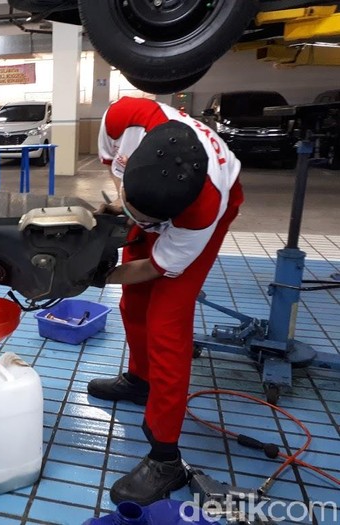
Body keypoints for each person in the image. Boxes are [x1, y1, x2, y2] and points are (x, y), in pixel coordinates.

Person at [90, 96, 244, 505]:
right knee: (133, 300)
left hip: (208, 206)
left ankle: (165, 457)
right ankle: (140, 380)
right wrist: (124, 206)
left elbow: (156, 267)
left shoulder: (202, 212)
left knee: (166, 325)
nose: (139, 227)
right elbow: (113, 170)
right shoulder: (124, 118)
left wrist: (93, 278)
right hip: (152, 194)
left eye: (149, 224)